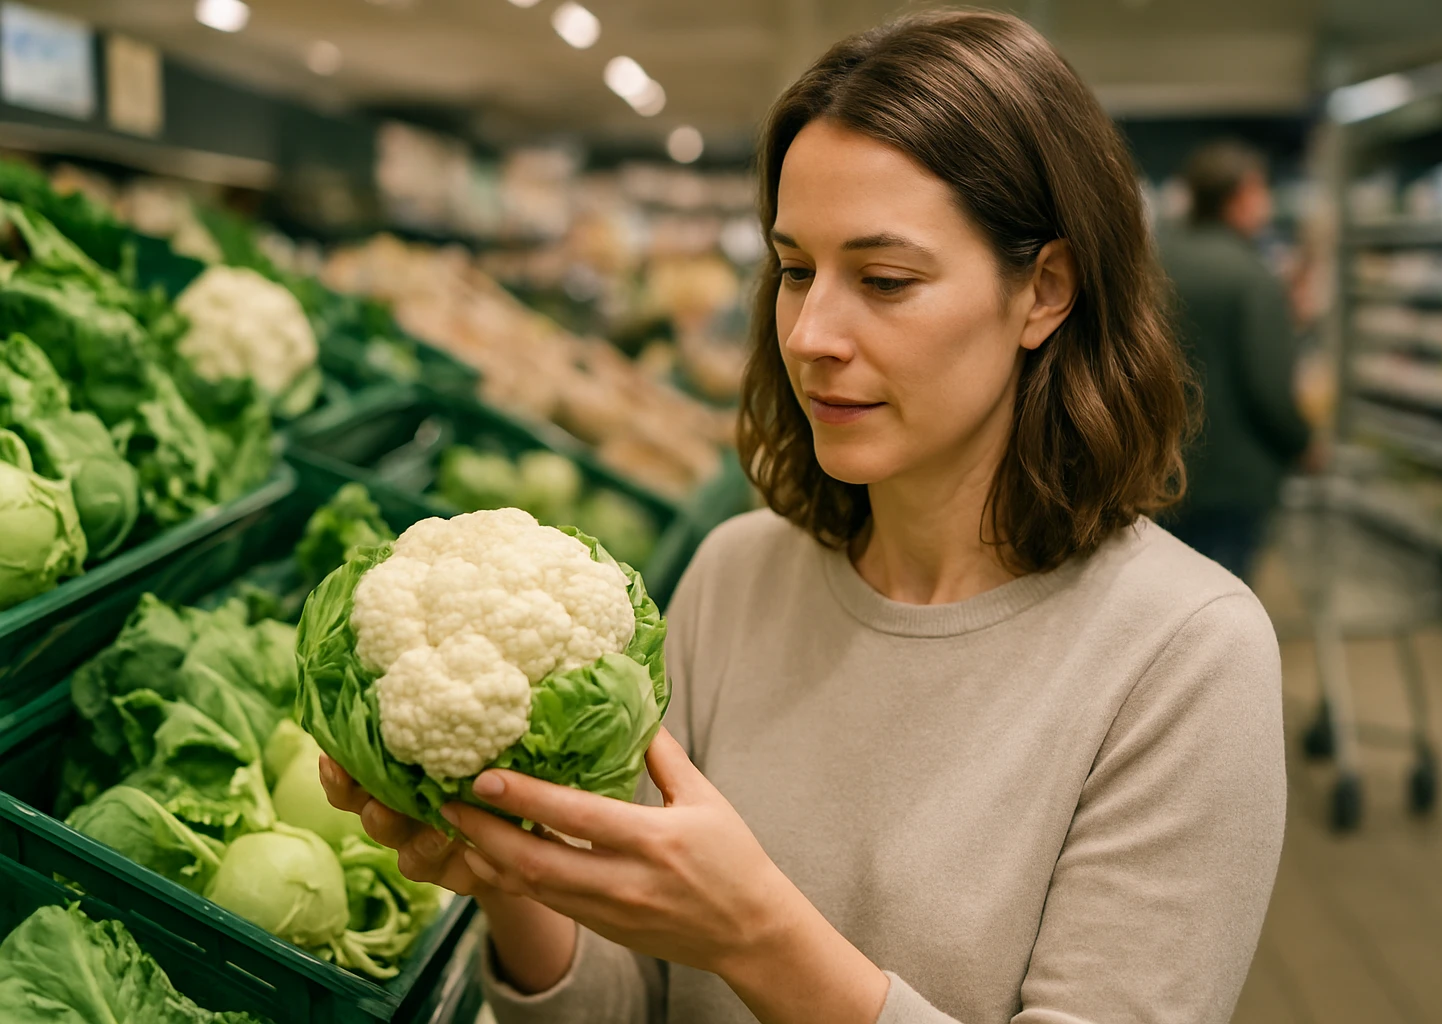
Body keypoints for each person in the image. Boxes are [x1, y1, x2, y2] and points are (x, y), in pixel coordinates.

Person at [320, 10, 1287, 1023]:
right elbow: (621, 1000)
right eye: (794, 270)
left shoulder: (1187, 655)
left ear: (1044, 290)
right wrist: (513, 876)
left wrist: (755, 936)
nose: (812, 332)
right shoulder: (733, 579)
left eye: (885, 280)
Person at [1159, 140, 1314, 583]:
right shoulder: (1251, 275)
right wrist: (1302, 442)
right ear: (1243, 195)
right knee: (1223, 611)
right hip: (1233, 480)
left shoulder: (1155, 260)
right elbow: (1269, 385)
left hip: (1160, 470)